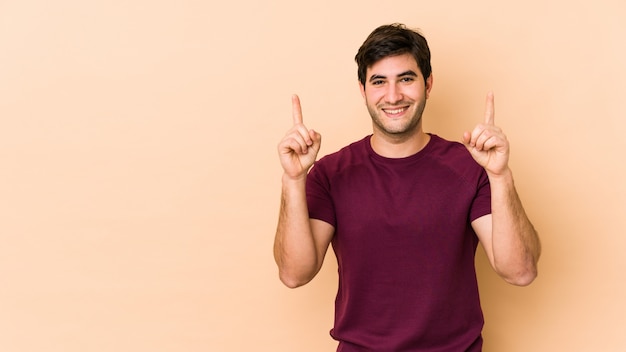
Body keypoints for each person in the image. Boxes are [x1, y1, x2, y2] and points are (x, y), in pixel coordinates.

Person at [273, 23, 541, 352]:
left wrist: (501, 176)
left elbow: (520, 272)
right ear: (363, 90)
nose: (393, 95)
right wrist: (293, 179)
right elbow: (294, 274)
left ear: (428, 84)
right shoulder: (330, 173)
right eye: (379, 82)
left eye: (406, 79)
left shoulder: (471, 168)